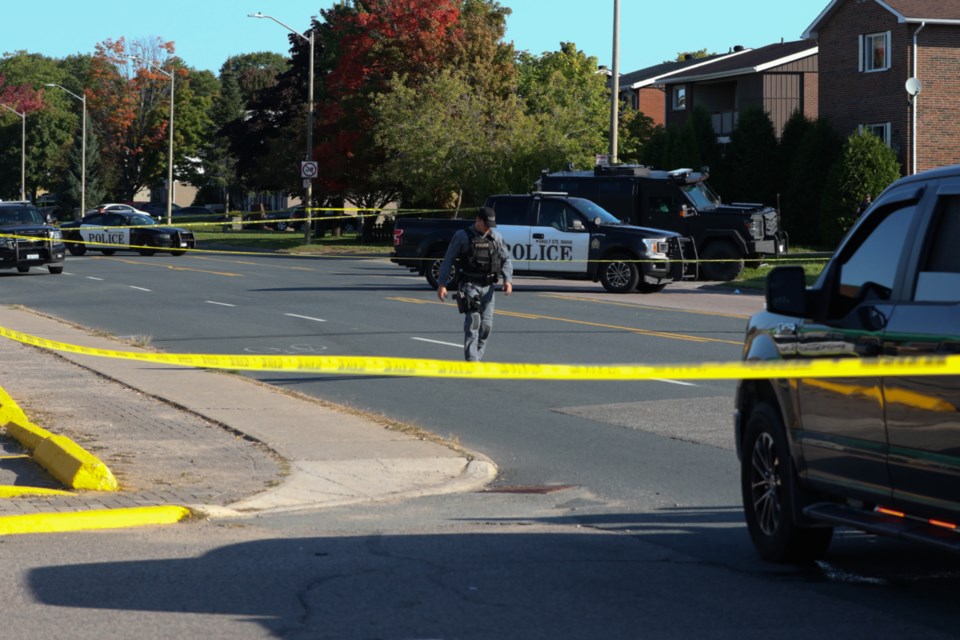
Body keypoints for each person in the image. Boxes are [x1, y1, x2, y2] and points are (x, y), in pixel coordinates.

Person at [436, 206, 513, 362]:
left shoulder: (496, 237)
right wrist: (442, 284)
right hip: (469, 285)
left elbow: (506, 259)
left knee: (486, 327)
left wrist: (507, 280)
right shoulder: (462, 236)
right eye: (486, 224)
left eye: (491, 225)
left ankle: (477, 356)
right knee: (474, 322)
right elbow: (448, 259)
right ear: (478, 220)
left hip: (488, 288)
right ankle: (472, 360)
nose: (488, 228)